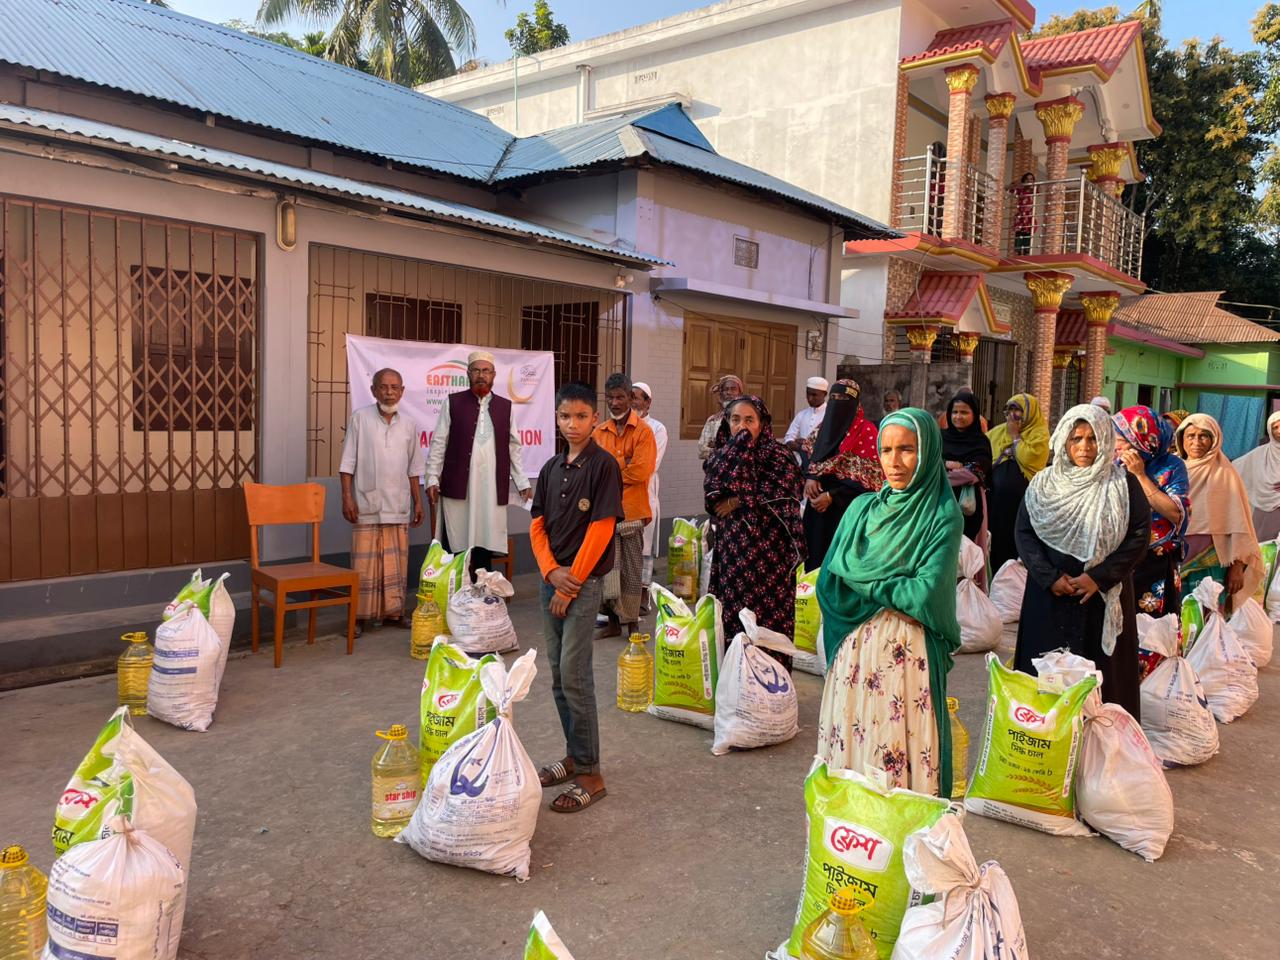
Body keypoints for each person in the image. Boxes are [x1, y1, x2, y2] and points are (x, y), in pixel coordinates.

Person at [816, 408, 963, 796]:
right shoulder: (861, 510)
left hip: (905, 662)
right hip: (853, 658)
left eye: (907, 449)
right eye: (886, 450)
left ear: (927, 452)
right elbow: (830, 580)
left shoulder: (941, 515)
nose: (894, 462)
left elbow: (925, 593)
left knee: (895, 758)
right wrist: (889, 585)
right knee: (852, 753)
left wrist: (862, 580)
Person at [1014, 405, 1151, 717]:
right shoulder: (1043, 485)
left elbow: (1139, 536)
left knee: (1101, 688)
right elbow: (1024, 532)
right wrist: (1049, 577)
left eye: (1093, 438)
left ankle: (1101, 741)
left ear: (1105, 440)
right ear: (1064, 440)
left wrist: (1098, 577)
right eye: (1076, 438)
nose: (1085, 447)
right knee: (1044, 681)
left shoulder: (1123, 485)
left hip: (1099, 598)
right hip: (1049, 597)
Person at [529, 382, 623, 813]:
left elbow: (601, 528)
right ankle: (573, 755)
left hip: (582, 586)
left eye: (581, 416)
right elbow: (537, 524)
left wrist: (571, 583)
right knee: (557, 674)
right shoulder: (551, 467)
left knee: (576, 675)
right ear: (557, 418)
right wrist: (551, 571)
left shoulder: (603, 466)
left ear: (595, 419)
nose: (573, 424)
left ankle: (590, 773)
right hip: (553, 579)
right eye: (565, 416)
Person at [704, 396, 805, 667]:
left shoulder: (778, 456)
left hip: (769, 555)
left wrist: (739, 500)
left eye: (750, 420)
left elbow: (787, 493)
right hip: (734, 551)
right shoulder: (722, 455)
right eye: (736, 419)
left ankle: (771, 678)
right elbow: (712, 495)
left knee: (767, 616)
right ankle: (735, 676)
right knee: (734, 612)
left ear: (762, 424)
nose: (742, 426)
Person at [425, 351, 531, 577]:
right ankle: (456, 589)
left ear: (494, 375)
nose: (481, 375)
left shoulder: (505, 407)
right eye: (476, 370)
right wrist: (432, 477)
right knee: (457, 539)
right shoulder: (452, 403)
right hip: (459, 485)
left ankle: (483, 589)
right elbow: (439, 443)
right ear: (468, 374)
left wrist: (522, 482)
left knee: (485, 537)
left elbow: (514, 447)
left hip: (490, 488)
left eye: (485, 371)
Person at [339, 368, 426, 637]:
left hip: (397, 505)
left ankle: (395, 613)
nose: (389, 392)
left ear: (402, 391)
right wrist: (347, 497)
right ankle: (359, 617)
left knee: (395, 565)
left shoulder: (409, 424)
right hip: (366, 503)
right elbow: (347, 463)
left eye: (394, 387)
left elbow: (414, 468)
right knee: (364, 566)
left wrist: (418, 502)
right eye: (384, 387)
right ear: (374, 390)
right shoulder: (360, 419)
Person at [1175, 413, 1265, 613]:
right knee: (1174, 615)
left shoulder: (1225, 474)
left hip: (1212, 558)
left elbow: (1240, 524)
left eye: (1203, 436)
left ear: (1214, 439)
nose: (1196, 442)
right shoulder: (1173, 469)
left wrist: (1237, 567)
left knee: (1207, 615)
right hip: (1174, 555)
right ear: (1181, 439)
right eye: (1191, 436)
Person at [593, 373, 657, 638]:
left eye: (620, 397)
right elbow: (593, 470)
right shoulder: (599, 432)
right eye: (610, 398)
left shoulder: (644, 432)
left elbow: (641, 471)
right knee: (607, 570)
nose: (614, 402)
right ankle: (612, 624)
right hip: (605, 512)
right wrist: (623, 465)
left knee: (631, 571)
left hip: (632, 511)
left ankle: (632, 625)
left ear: (631, 398)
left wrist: (610, 469)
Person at [1113, 405, 1191, 616]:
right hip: (1116, 557)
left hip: (1155, 561)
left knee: (1152, 626)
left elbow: (1176, 514)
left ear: (1141, 441)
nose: (1114, 446)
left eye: (1120, 440)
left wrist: (1140, 475)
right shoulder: (1112, 465)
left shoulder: (1172, 466)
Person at [802, 379, 883, 569]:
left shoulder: (867, 432)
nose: (837, 402)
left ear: (855, 402)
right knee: (813, 560)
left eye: (844, 398)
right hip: (816, 508)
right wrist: (811, 477)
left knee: (839, 561)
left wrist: (832, 496)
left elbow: (871, 481)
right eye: (834, 397)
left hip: (846, 510)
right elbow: (809, 455)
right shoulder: (823, 428)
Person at [986, 393, 1049, 572]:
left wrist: (1015, 437)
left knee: (1015, 541)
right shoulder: (997, 432)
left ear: (1029, 413)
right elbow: (985, 452)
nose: (1012, 415)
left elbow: (1029, 458)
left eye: (1018, 410)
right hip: (995, 504)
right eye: (1009, 410)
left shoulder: (1039, 435)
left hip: (1021, 503)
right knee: (994, 540)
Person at [631, 381, 668, 612]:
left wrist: (628, 465)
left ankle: (643, 596)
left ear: (648, 402)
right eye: (630, 396)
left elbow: (649, 465)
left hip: (645, 495)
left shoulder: (657, 429)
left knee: (643, 547)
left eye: (637, 397)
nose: (633, 401)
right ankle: (622, 600)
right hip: (623, 496)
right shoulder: (621, 425)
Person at [942, 389, 992, 547]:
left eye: (964, 412)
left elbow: (975, 473)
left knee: (967, 549)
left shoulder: (980, 442)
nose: (958, 416)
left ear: (974, 414)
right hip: (941, 501)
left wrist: (942, 474)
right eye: (954, 412)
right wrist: (947, 464)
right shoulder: (941, 437)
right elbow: (931, 463)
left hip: (968, 504)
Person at [1232, 410, 1280, 541]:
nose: (1279, 431)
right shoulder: (1260, 454)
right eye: (1275, 427)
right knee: (1263, 547)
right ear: (1269, 430)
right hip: (1264, 512)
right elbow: (1234, 467)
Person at [783, 377, 830, 466]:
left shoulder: (830, 415)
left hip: (822, 465)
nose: (810, 398)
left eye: (814, 395)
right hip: (800, 464)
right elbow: (788, 440)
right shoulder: (802, 414)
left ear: (824, 394)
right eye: (808, 394)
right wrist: (801, 447)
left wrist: (805, 443)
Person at [698, 374, 744, 461]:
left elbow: (745, 450)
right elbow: (702, 450)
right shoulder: (712, 420)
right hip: (714, 468)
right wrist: (728, 449)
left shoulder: (746, 420)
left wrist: (715, 447)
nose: (729, 392)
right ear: (721, 394)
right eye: (726, 389)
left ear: (740, 393)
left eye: (733, 389)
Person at [1011, 171, 1036, 256]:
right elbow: (1009, 188)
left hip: (1029, 216)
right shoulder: (1020, 190)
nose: (1029, 181)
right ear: (1024, 180)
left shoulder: (1034, 190)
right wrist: (1020, 182)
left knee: (1028, 234)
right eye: (1027, 179)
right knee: (1019, 233)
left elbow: (1040, 190)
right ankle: (1018, 253)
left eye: (1031, 179)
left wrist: (1034, 184)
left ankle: (1026, 253)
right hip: (1021, 215)